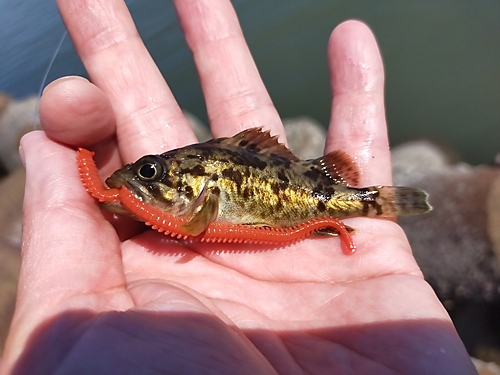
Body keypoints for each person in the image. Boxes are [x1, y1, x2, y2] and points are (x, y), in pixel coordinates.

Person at [1, 0, 477, 374]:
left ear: (192, 186)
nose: (138, 181)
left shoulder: (200, 199)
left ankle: (381, 204)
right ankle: (383, 203)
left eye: (149, 174)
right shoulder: (181, 196)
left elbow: (202, 217)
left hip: (310, 194)